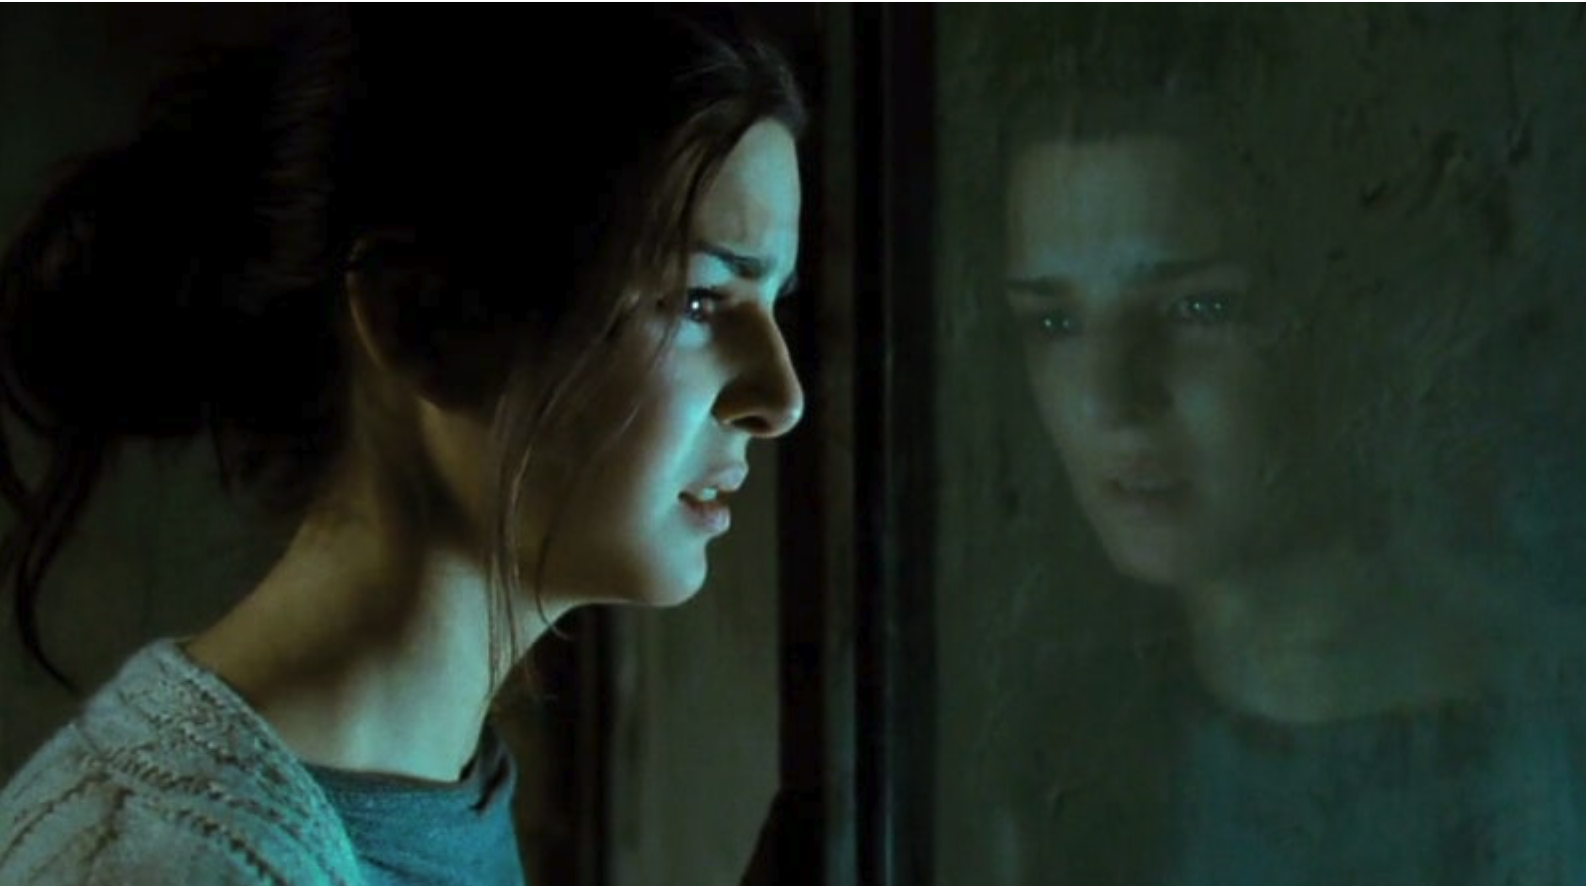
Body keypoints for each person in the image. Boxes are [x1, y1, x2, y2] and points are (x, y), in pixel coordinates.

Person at [0, 6, 806, 885]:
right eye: (699, 301)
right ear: (419, 319)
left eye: (775, 302)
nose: (782, 399)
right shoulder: (178, 865)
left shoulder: (429, 795)